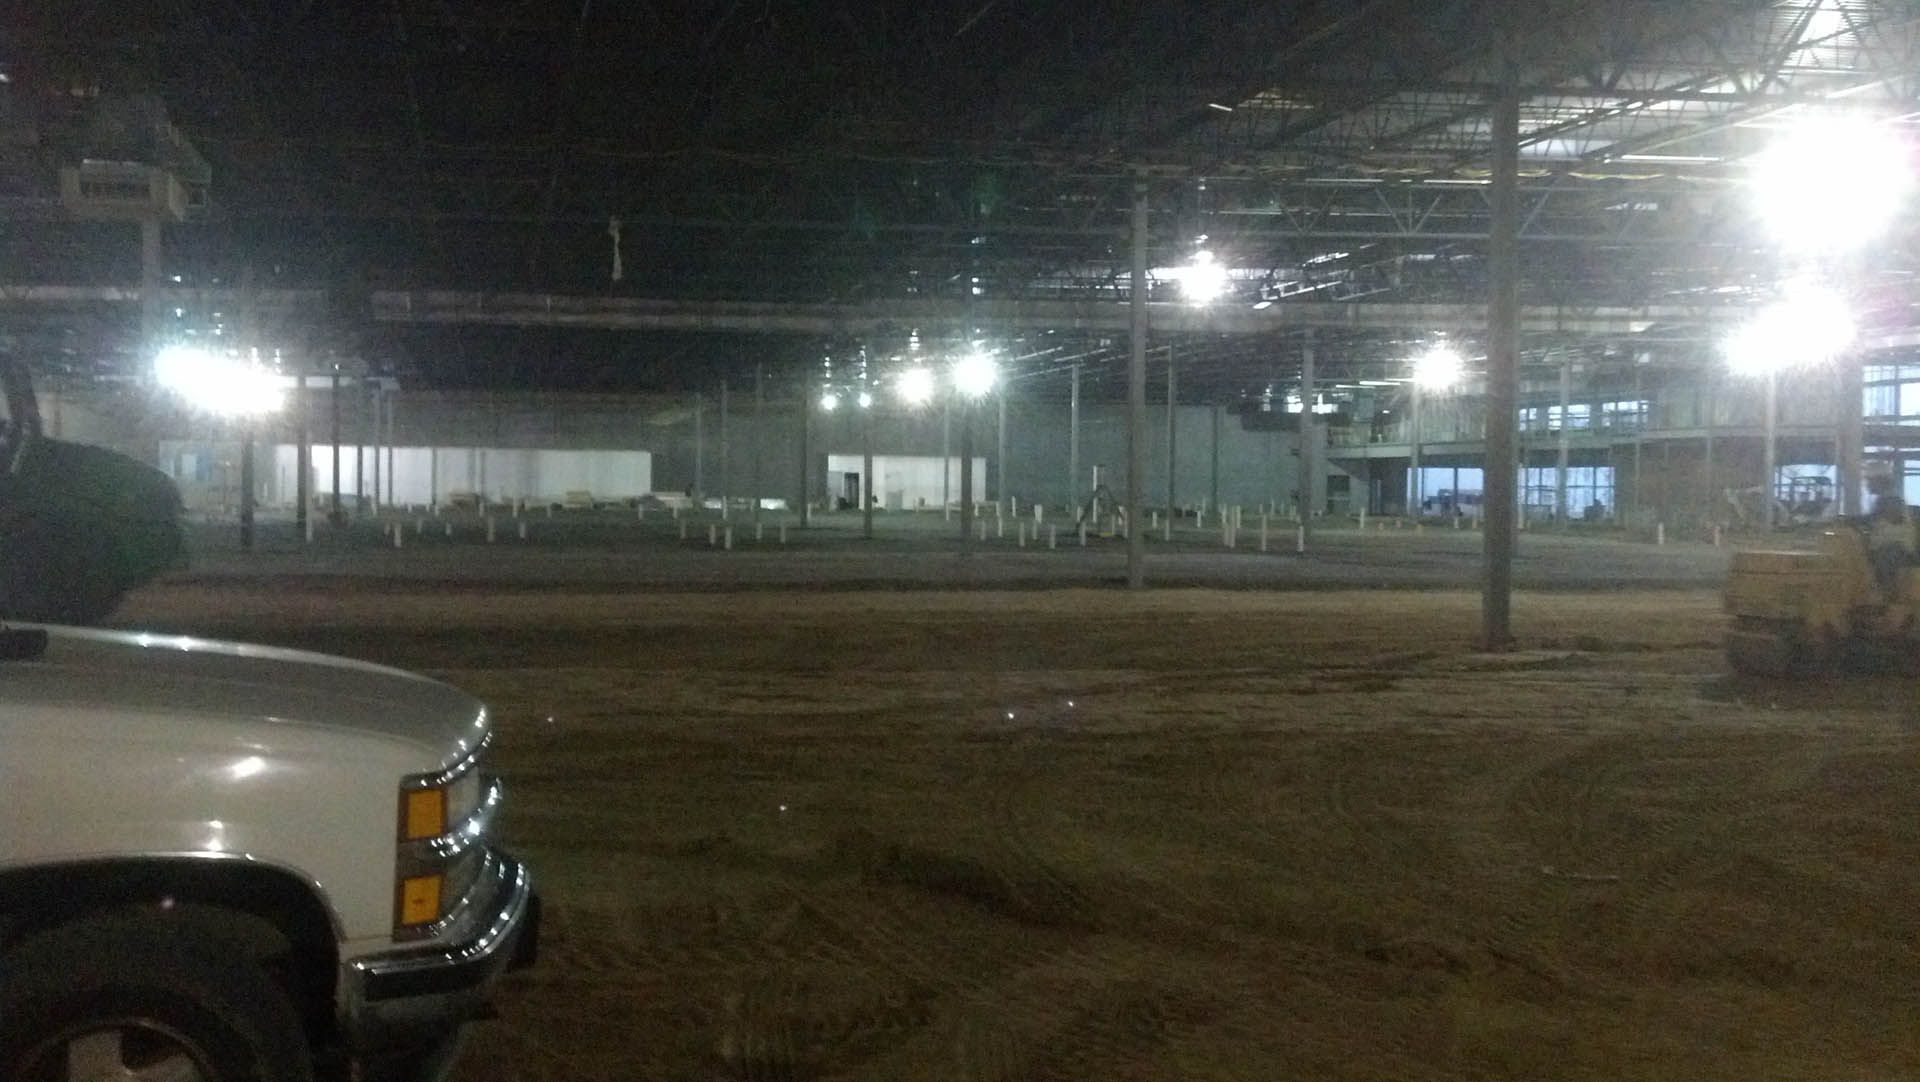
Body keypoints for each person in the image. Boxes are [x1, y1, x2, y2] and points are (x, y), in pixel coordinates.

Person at [1865, 462, 1912, 597]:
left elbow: (1888, 516)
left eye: (1869, 480)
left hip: (1896, 549)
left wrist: (1862, 520)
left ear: (1880, 480)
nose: (1867, 484)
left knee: (1885, 558)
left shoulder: (1892, 499)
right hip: (1885, 547)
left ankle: (1888, 595)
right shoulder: (1883, 499)